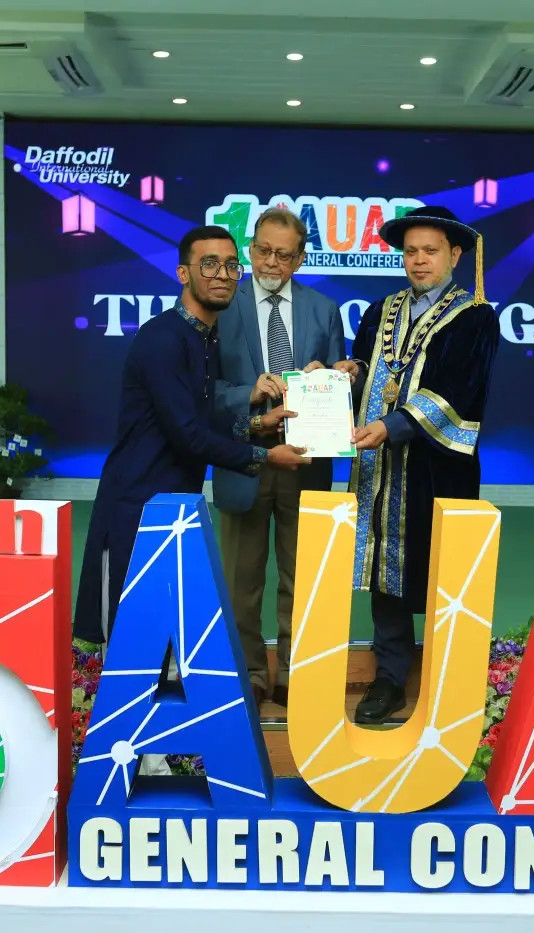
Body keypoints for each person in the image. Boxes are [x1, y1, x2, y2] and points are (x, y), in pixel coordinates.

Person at [73, 224, 308, 650]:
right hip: (136, 507)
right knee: (121, 641)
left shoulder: (205, 338)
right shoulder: (163, 339)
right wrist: (266, 456)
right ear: (183, 273)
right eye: (209, 264)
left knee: (163, 635)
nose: (222, 275)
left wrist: (258, 424)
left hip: (174, 507)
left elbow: (198, 419)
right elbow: (187, 436)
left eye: (231, 266)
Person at [346, 205, 501, 725]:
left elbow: (462, 390)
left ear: (454, 255)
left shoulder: (475, 317)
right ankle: (389, 677)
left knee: (441, 572)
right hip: (379, 469)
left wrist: (393, 426)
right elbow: (370, 367)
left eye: (430, 251)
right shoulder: (380, 311)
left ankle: (448, 680)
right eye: (410, 251)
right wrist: (348, 372)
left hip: (438, 468)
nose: (418, 260)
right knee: (385, 572)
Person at [213, 207, 354, 709]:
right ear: (250, 249)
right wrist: (248, 395)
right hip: (245, 456)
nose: (271, 262)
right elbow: (205, 390)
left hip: (306, 462)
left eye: (284, 254)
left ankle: (297, 672)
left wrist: (335, 375)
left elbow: (339, 385)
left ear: (301, 258)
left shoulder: (324, 309)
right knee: (240, 581)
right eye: (263, 251)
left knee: (303, 577)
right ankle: (249, 673)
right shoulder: (221, 305)